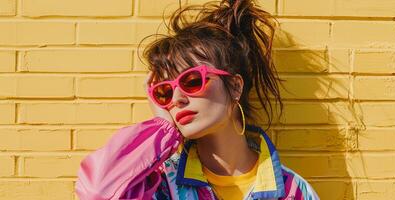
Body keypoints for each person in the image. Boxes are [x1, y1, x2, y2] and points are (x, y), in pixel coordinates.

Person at [75, 0, 320, 199]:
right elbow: (97, 193)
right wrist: (162, 130)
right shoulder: (160, 186)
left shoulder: (292, 192)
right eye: (165, 92)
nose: (177, 99)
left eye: (192, 81)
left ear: (235, 86)